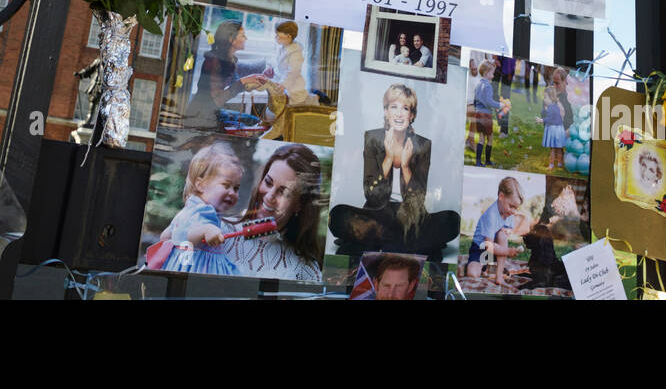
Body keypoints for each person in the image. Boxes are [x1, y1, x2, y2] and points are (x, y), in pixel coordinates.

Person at [327, 83, 460, 261]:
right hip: (377, 214)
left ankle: (379, 240)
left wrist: (405, 166)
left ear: (411, 115)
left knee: (451, 221)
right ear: (386, 111)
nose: (398, 113)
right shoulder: (373, 138)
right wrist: (388, 159)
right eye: (393, 107)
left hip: (409, 216)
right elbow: (371, 194)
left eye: (405, 108)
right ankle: (408, 241)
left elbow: (418, 197)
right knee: (337, 216)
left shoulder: (422, 144)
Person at [225, 143, 324, 282]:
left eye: (284, 192)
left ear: (299, 205)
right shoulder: (221, 233)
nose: (269, 196)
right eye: (268, 182)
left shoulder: (304, 270)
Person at [157, 142, 243, 275]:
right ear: (200, 185)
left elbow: (165, 236)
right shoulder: (205, 211)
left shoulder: (187, 209)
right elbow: (188, 234)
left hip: (179, 265)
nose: (232, 193)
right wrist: (206, 229)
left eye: (236, 188)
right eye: (226, 185)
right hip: (199, 270)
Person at [465, 176, 530, 285]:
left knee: (502, 235)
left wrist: (508, 231)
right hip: (481, 248)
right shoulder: (491, 215)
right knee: (473, 274)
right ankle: (483, 266)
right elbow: (488, 246)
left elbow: (507, 230)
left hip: (496, 250)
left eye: (516, 208)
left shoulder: (509, 213)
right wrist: (508, 251)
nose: (514, 211)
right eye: (511, 206)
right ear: (501, 196)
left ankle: (499, 276)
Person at [183, 20, 247, 128]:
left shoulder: (232, 60)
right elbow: (217, 98)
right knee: (246, 126)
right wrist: (243, 82)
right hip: (200, 116)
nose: (246, 39)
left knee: (253, 121)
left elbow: (237, 83)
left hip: (213, 112)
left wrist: (257, 80)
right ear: (231, 39)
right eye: (243, 36)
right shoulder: (212, 61)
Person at [471, 61, 502, 167]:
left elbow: (476, 100)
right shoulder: (487, 85)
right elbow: (489, 101)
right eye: (492, 72)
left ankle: (478, 161)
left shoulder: (478, 84)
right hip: (486, 115)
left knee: (481, 138)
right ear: (486, 73)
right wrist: (499, 105)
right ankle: (487, 160)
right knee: (490, 138)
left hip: (478, 114)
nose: (493, 74)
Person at [272, 21, 309, 104]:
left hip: (293, 89)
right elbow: (277, 64)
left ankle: (317, 96)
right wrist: (271, 69)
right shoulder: (281, 48)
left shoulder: (296, 52)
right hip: (281, 83)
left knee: (290, 110)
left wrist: (283, 84)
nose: (276, 37)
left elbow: (294, 72)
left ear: (288, 36)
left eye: (278, 36)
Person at [541, 82, 566, 171]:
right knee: (559, 148)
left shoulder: (551, 107)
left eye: (545, 97)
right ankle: (559, 163)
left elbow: (550, 118)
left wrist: (542, 120)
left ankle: (551, 164)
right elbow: (561, 114)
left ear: (551, 98)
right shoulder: (557, 105)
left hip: (553, 129)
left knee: (552, 149)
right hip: (559, 128)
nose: (544, 99)